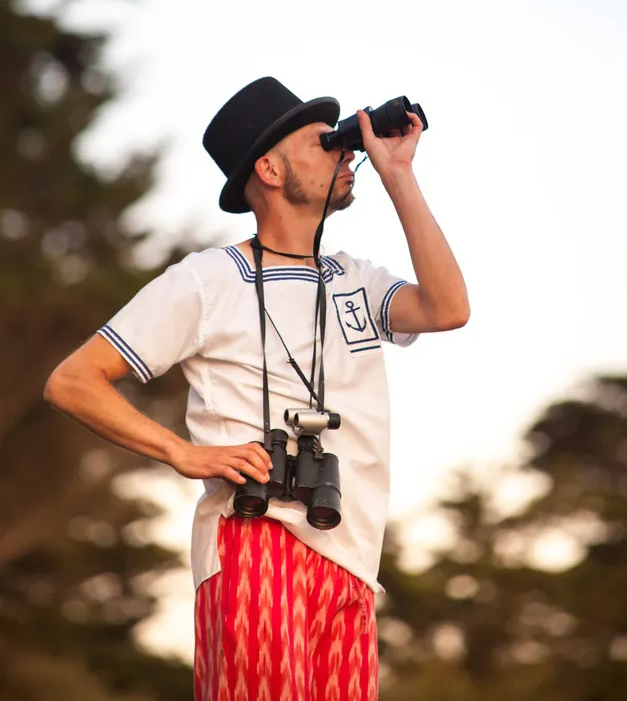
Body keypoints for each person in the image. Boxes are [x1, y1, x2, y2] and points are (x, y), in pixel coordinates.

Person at [44, 76, 469, 701]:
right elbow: (73, 380)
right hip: (254, 540)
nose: (345, 151)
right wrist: (185, 454)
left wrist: (398, 173)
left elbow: (448, 308)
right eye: (326, 143)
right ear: (269, 169)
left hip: (350, 555)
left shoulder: (355, 280)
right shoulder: (207, 279)